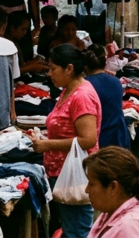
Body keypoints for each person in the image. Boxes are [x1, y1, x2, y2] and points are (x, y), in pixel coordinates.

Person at [27, 45, 101, 238]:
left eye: (53, 68)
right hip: (62, 175)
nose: (49, 73)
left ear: (69, 69)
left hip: (75, 176)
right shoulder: (68, 90)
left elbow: (88, 139)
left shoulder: (82, 96)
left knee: (78, 231)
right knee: (71, 230)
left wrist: (47, 145)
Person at [83, 146, 139, 238]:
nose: (87, 190)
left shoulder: (131, 226)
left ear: (113, 187)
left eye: (92, 184)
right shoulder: (111, 211)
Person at [82, 45, 130, 149]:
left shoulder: (85, 86)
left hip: (101, 140)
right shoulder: (115, 81)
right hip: (119, 137)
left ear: (85, 66)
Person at [0, 12, 18, 130]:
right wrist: (13, 114)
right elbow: (12, 85)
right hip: (2, 114)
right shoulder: (9, 47)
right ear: (4, 26)